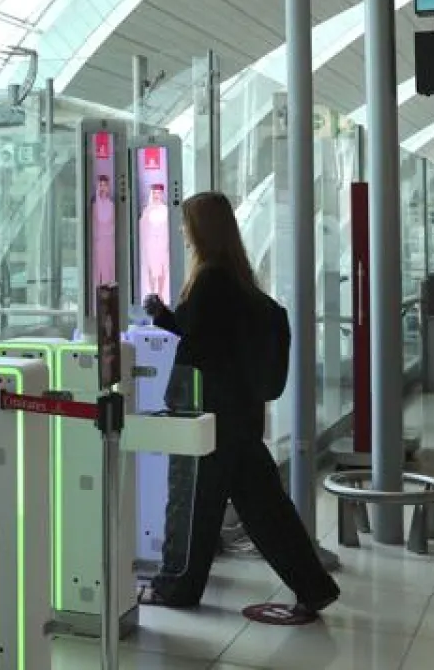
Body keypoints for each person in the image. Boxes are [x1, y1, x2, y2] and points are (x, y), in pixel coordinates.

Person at [137, 191, 339, 625]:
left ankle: (178, 586)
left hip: (209, 414)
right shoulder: (234, 275)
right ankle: (314, 586)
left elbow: (200, 343)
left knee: (191, 503)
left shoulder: (210, 278)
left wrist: (166, 317)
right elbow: (209, 335)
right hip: (238, 414)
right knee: (265, 508)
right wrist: (166, 317)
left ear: (202, 228)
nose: (182, 231)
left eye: (187, 222)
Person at [139, 183, 171, 300]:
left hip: (162, 243)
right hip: (151, 244)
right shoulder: (147, 210)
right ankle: (153, 295)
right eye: (154, 193)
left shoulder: (166, 210)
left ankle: (161, 295)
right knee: (152, 269)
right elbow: (143, 229)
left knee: (162, 270)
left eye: (159, 193)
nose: (157, 195)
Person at [92, 174, 116, 287]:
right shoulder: (95, 205)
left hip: (109, 240)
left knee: (109, 267)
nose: (103, 188)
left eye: (105, 185)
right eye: (100, 185)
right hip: (99, 240)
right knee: (99, 267)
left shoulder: (112, 205)